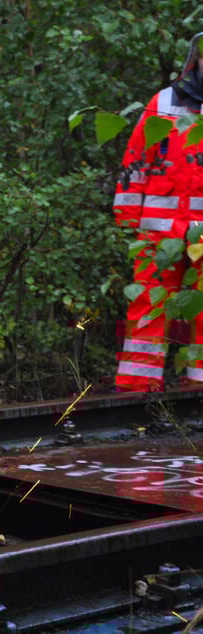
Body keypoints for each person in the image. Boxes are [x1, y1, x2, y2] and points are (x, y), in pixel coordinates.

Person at [113, 32, 203, 392]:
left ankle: (198, 394)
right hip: (156, 232)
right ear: (196, 58)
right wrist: (129, 218)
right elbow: (136, 162)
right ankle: (136, 392)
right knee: (147, 311)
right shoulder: (163, 102)